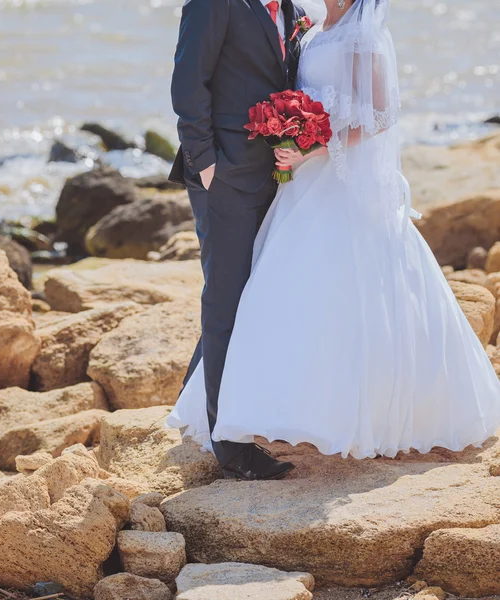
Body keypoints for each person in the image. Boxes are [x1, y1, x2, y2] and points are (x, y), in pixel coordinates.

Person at [168, 0, 500, 474]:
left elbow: (379, 114)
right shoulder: (290, 18)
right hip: (248, 177)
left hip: (308, 178)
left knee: (265, 291)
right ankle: (225, 427)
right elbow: (189, 80)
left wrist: (312, 147)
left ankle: (254, 408)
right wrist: (204, 164)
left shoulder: (338, 27)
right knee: (238, 292)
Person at [169, 0, 311, 480]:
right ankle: (229, 445)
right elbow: (189, 82)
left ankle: (195, 403)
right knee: (226, 299)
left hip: (272, 176)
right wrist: (206, 163)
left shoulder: (290, 8)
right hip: (223, 176)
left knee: (246, 294)